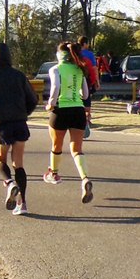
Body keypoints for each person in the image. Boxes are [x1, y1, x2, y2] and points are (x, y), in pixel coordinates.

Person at [0, 42, 38, 216]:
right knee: (19, 164)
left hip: (2, 123)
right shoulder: (19, 75)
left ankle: (10, 184)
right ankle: (23, 203)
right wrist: (24, 113)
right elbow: (33, 99)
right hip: (20, 122)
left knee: (0, 160)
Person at [42, 42, 93, 204]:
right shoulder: (79, 69)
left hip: (60, 110)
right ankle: (84, 178)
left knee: (56, 145)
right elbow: (85, 95)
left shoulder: (55, 69)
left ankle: (53, 173)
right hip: (78, 110)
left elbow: (56, 87)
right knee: (77, 149)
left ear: (59, 55)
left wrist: (51, 103)